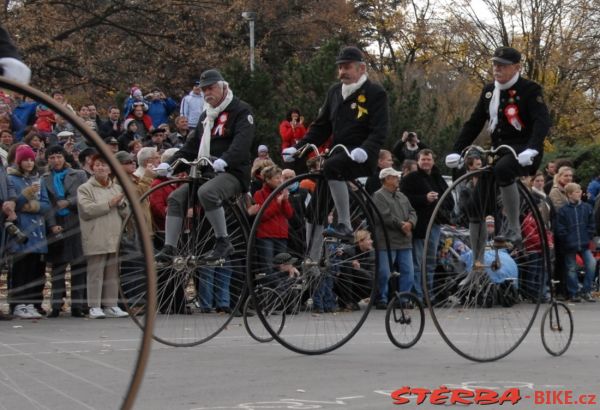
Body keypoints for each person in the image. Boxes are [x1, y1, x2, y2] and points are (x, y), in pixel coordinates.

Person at [445, 46, 551, 253]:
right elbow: (474, 123)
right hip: (498, 151)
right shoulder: (489, 91)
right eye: (495, 64)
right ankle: (477, 264)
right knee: (475, 207)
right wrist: (457, 150)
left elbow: (541, 121)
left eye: (502, 65)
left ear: (516, 67)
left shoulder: (530, 89)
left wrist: (533, 148)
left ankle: (513, 228)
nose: (497, 69)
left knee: (503, 169)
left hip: (523, 151)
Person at [282, 45, 389, 246]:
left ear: (361, 69)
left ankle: (345, 225)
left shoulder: (375, 92)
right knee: (314, 209)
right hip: (338, 158)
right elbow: (321, 127)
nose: (342, 72)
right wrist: (299, 147)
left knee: (332, 165)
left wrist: (366, 150)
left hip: (361, 157)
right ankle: (311, 261)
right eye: (340, 67)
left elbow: (380, 130)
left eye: (347, 67)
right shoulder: (334, 92)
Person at [157, 69, 254, 262]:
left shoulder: (241, 110)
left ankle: (223, 241)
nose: (207, 93)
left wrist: (225, 160)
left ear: (222, 87)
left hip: (232, 172)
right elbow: (190, 147)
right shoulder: (205, 117)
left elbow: (243, 142)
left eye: (211, 88)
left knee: (207, 192)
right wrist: (169, 164)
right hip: (206, 172)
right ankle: (169, 248)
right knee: (176, 198)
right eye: (204, 90)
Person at [77, 154, 129, 319]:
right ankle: (94, 306)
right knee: (96, 273)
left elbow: (127, 213)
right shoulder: (85, 188)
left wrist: (121, 205)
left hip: (114, 234)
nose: (101, 168)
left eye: (104, 165)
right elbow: (87, 210)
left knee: (112, 273)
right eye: (97, 165)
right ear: (92, 168)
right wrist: (109, 204)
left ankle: (111, 305)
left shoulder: (117, 188)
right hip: (95, 235)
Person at [42, 145, 88, 317]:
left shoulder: (79, 174)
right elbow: (45, 204)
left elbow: (84, 195)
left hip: (75, 220)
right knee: (57, 267)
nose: (56, 160)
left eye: (59, 157)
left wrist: (68, 202)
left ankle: (77, 305)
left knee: (78, 265)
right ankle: (55, 305)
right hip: (56, 222)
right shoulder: (45, 178)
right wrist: (52, 224)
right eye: (52, 157)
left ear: (65, 158)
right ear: (48, 160)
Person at [400, 149, 452, 301]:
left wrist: (442, 204)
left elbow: (449, 198)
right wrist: (424, 198)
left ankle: (429, 294)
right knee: (417, 263)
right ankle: (418, 295)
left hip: (435, 225)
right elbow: (404, 199)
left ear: (433, 161)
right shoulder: (411, 178)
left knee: (430, 262)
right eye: (423, 160)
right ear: (418, 161)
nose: (426, 162)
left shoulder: (437, 177)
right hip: (419, 226)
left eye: (428, 159)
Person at [6, 145, 51, 318]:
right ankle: (18, 304)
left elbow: (46, 204)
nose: (29, 163)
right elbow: (12, 204)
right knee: (20, 269)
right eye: (25, 160)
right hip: (21, 228)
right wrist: (25, 196)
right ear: (19, 161)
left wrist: (33, 206)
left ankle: (31, 302)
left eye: (32, 159)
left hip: (37, 230)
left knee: (35, 269)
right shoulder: (11, 179)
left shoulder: (38, 179)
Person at [372, 167, 417, 309]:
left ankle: (403, 298)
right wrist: (401, 225)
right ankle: (382, 298)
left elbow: (412, 211)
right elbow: (384, 216)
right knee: (384, 272)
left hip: (404, 240)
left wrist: (411, 223)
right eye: (395, 177)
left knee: (408, 271)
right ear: (387, 179)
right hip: (386, 240)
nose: (398, 179)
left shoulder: (402, 196)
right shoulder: (378, 195)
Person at [556, 183, 597, 303]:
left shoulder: (587, 207)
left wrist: (589, 235)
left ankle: (586, 290)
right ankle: (573, 292)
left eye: (579, 191)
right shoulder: (563, 210)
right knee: (571, 269)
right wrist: (567, 239)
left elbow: (591, 224)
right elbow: (560, 228)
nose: (579, 194)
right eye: (576, 192)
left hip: (584, 242)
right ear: (569, 194)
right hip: (569, 244)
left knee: (591, 264)